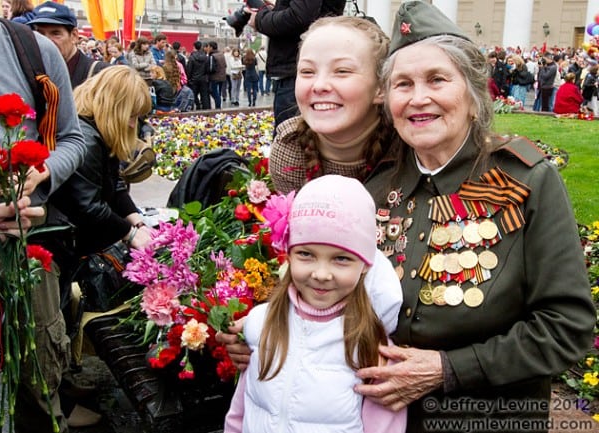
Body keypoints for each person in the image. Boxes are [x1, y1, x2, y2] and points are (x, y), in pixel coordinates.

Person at [353, 2, 595, 432]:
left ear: (473, 93)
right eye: (402, 84)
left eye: (437, 80)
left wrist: (448, 369)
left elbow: (567, 328)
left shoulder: (525, 182)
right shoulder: (375, 188)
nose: (418, 97)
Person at [223, 174, 407, 433]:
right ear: (288, 254)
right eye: (306, 254)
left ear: (365, 265)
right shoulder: (260, 324)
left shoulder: (370, 346)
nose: (321, 273)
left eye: (341, 259)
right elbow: (242, 408)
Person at [0, 18, 87, 433]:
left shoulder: (31, 50)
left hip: (26, 249)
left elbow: (72, 138)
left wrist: (43, 171)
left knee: (37, 377)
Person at [268, 15, 396, 194]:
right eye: (307, 71)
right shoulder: (290, 148)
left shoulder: (408, 147)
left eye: (342, 71)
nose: (319, 85)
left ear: (381, 87)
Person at [50, 66, 154, 260]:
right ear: (114, 107)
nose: (133, 124)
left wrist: (137, 222)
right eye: (131, 115)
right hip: (65, 244)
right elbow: (88, 206)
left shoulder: (98, 130)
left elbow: (115, 184)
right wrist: (130, 233)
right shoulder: (87, 139)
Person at [244, 0, 345, 131]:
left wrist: (259, 19)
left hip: (299, 71)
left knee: (291, 141)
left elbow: (299, 17)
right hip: (303, 67)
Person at [27, 1, 110, 88]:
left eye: (55, 33)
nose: (47, 41)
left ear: (74, 36)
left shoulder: (102, 75)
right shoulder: (31, 74)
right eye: (40, 34)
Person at [186, 40, 210, 110]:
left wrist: (189, 79)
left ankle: (192, 108)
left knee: (193, 95)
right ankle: (206, 110)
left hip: (194, 79)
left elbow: (189, 69)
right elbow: (207, 69)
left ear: (194, 47)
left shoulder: (192, 57)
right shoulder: (206, 57)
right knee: (204, 95)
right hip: (203, 79)